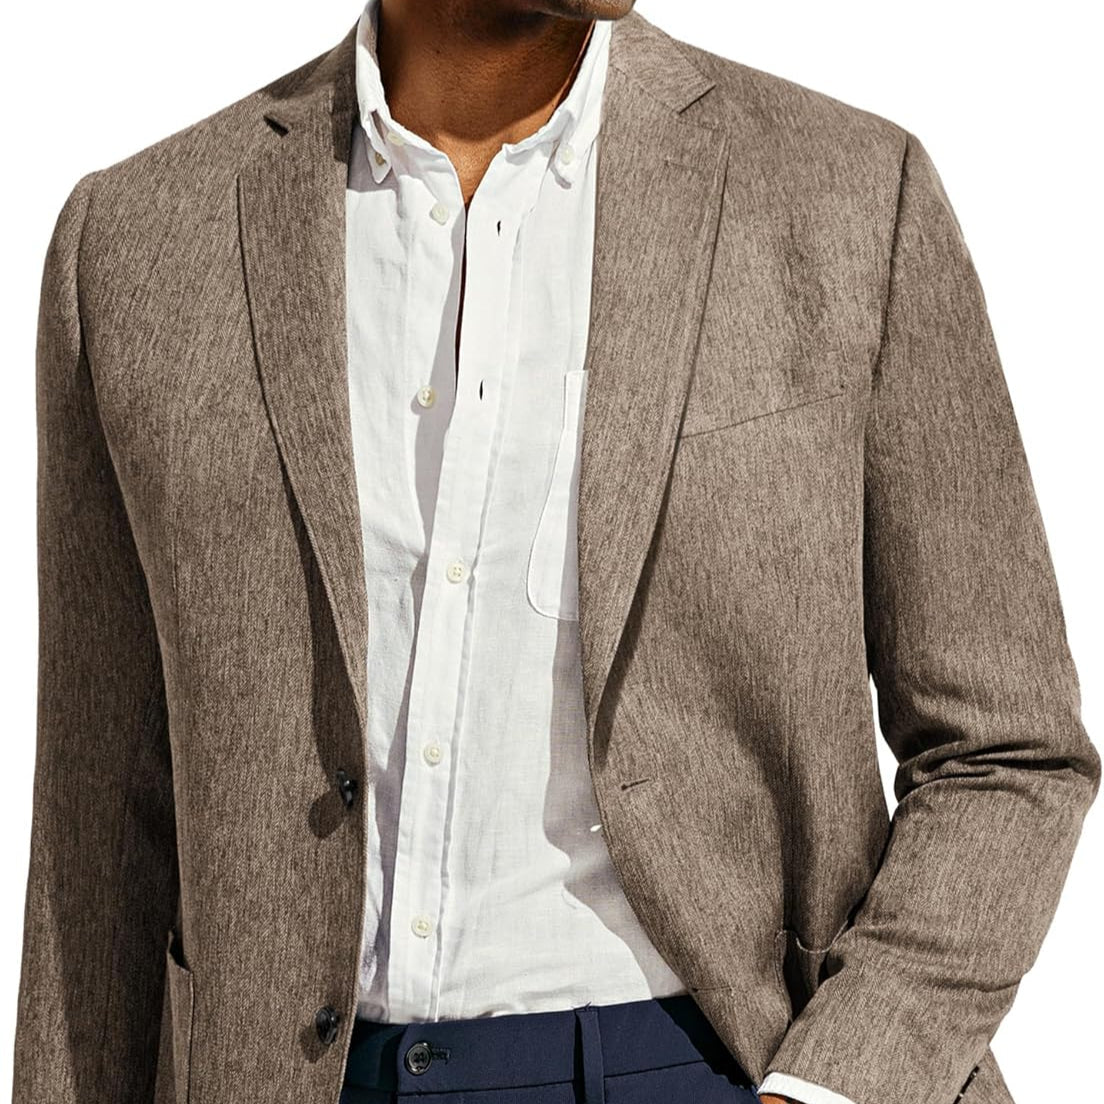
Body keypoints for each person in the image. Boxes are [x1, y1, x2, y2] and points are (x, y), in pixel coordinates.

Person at [12, 1, 1099, 1103]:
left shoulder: (847, 196)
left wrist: (835, 1084)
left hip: (712, 1066)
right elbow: (97, 828)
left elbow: (1007, 749)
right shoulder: (138, 241)